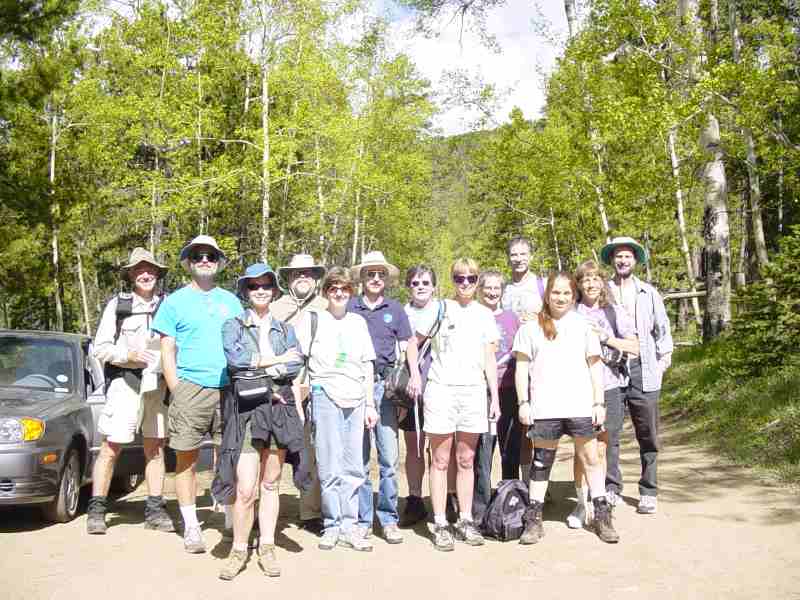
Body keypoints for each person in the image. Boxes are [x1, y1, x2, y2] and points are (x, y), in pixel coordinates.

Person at [152, 235, 244, 553]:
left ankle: (232, 521)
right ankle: (192, 527)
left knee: (230, 456)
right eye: (198, 256)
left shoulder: (232, 301)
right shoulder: (174, 302)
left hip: (228, 388)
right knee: (186, 458)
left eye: (210, 256)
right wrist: (177, 388)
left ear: (218, 262)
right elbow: (167, 349)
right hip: (190, 387)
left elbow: (242, 344)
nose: (205, 260)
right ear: (189, 263)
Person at [513, 272, 619, 545]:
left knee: (592, 458)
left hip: (580, 405)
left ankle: (601, 515)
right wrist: (523, 402)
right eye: (556, 292)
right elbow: (521, 367)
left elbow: (595, 365)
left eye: (566, 293)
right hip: (545, 407)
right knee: (541, 462)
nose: (560, 298)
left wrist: (598, 403)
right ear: (547, 294)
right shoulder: (530, 328)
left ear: (573, 297)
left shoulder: (583, 325)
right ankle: (533, 519)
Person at [217, 263, 304, 580]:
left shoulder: (286, 329)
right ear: (246, 291)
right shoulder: (233, 325)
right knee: (246, 488)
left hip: (280, 408)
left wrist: (264, 368)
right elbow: (236, 362)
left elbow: (296, 366)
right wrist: (278, 362)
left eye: (266, 284)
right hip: (248, 411)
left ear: (275, 289)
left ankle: (266, 546)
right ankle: (239, 549)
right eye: (254, 286)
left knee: (271, 483)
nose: (261, 290)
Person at [87, 248, 172, 535]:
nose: (145, 274)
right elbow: (100, 348)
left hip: (158, 385)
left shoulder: (170, 306)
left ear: (157, 274)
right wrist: (129, 354)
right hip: (124, 383)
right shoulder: (118, 306)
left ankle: (155, 510)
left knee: (155, 448)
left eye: (150, 269)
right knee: (111, 447)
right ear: (131, 275)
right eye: (139, 270)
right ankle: (96, 510)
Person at [295, 267, 379, 552]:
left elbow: (368, 364)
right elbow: (298, 359)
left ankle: (350, 525)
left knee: (354, 466)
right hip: (324, 395)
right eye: (333, 289)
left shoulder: (357, 322)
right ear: (326, 292)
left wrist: (370, 403)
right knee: (329, 465)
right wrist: (297, 398)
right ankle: (331, 525)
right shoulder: (313, 319)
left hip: (356, 397)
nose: (339, 293)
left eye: (344, 289)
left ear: (350, 292)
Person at [425, 258, 500, 551]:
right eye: (459, 278)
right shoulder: (439, 308)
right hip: (441, 389)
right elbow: (413, 342)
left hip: (473, 391)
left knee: (466, 459)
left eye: (471, 278)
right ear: (452, 279)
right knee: (440, 460)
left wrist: (493, 396)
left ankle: (466, 519)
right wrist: (416, 377)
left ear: (478, 280)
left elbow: (489, 358)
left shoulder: (485, 315)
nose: (466, 283)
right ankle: (441, 521)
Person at [347, 251, 419, 544]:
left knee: (389, 459)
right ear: (362, 277)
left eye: (380, 274)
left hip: (386, 388)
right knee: (360, 460)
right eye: (370, 274)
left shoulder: (396, 308)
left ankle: (388, 518)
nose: (375, 279)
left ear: (386, 279)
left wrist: (414, 374)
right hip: (355, 388)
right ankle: (363, 519)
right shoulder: (349, 307)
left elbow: (409, 343)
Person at [602, 237, 673, 514]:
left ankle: (649, 490)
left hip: (644, 367)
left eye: (627, 257)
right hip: (611, 369)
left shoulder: (648, 293)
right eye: (618, 257)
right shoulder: (603, 291)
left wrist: (663, 361)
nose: (622, 261)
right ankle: (611, 488)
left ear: (635, 261)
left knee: (648, 432)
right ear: (612, 261)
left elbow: (662, 328)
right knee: (610, 432)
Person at [569, 260, 639, 528]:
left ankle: (597, 499)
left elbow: (634, 346)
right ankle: (580, 502)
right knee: (581, 447)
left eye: (596, 278)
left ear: (603, 283)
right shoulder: (571, 311)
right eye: (585, 279)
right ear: (579, 284)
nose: (591, 284)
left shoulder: (614, 312)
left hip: (609, 386)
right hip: (577, 387)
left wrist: (605, 338)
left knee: (600, 447)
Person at [270, 254, 328, 534]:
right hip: (280, 388)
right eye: (296, 273)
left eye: (308, 273)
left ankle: (311, 512)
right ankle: (265, 510)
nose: (302, 277)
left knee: (310, 453)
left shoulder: (327, 306)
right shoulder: (274, 307)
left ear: (316, 278)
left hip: (315, 386)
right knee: (273, 451)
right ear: (289, 278)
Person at [472, 269, 521, 523]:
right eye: (487, 288)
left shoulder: (513, 318)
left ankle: (512, 504)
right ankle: (480, 509)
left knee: (510, 450)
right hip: (481, 392)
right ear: (480, 289)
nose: (492, 292)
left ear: (502, 290)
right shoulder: (475, 315)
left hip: (509, 390)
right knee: (483, 452)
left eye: (496, 288)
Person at [398, 264, 440, 527]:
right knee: (414, 445)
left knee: (440, 447)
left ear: (434, 286)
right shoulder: (401, 313)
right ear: (408, 287)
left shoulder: (443, 310)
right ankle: (415, 498)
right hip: (410, 387)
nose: (421, 287)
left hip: (440, 384)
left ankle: (446, 497)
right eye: (415, 283)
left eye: (425, 282)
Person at [501, 236, 544, 485]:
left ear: (531, 256)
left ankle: (534, 482)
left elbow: (555, 317)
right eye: (514, 254)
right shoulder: (504, 289)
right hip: (509, 365)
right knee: (515, 426)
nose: (518, 259)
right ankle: (513, 485)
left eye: (523, 254)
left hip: (537, 364)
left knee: (536, 427)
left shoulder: (541, 285)